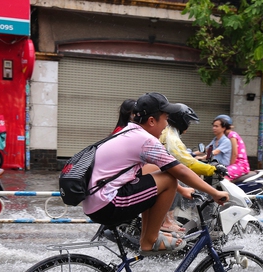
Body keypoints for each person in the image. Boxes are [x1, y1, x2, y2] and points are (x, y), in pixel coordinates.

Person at [83, 92, 228, 255]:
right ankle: (150, 240)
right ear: (152, 121)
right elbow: (179, 170)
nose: (167, 125)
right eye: (165, 118)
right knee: (169, 180)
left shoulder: (128, 131)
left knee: (156, 171)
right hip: (108, 204)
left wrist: (182, 190)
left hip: (94, 203)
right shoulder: (145, 140)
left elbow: (151, 170)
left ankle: (149, 236)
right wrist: (214, 192)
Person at [159, 103, 219, 233]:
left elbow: (183, 156)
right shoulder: (171, 137)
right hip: (161, 175)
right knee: (198, 191)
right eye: (188, 122)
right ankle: (167, 221)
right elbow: (188, 163)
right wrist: (213, 169)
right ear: (181, 121)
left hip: (157, 171)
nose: (188, 125)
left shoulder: (169, 132)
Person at [216, 114, 250, 180]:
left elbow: (234, 153)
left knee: (223, 174)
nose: (215, 128)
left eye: (217, 126)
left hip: (240, 165)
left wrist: (230, 165)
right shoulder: (224, 137)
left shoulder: (232, 135)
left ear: (224, 127)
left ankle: (225, 190)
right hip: (235, 164)